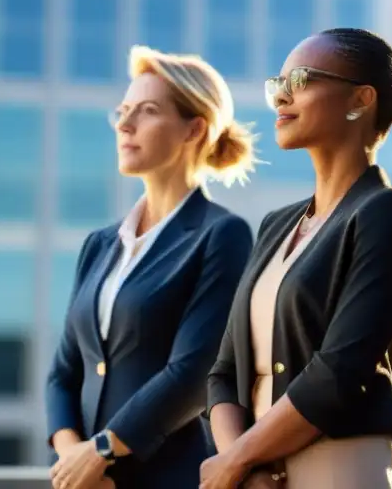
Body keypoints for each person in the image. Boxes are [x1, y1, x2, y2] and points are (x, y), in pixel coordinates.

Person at [201, 28, 392, 489]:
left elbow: (339, 371)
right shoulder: (275, 225)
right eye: (279, 83)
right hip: (253, 475)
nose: (281, 97)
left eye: (302, 80)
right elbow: (224, 372)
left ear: (361, 99)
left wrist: (239, 460)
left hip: (339, 467)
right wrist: (239, 464)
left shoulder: (389, 213)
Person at [45, 46, 256, 489]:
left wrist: (101, 450)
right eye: (122, 111)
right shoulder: (99, 245)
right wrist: (76, 462)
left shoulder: (222, 235)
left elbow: (194, 372)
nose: (124, 124)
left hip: (174, 477)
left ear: (194, 129)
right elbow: (64, 372)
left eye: (147, 111)